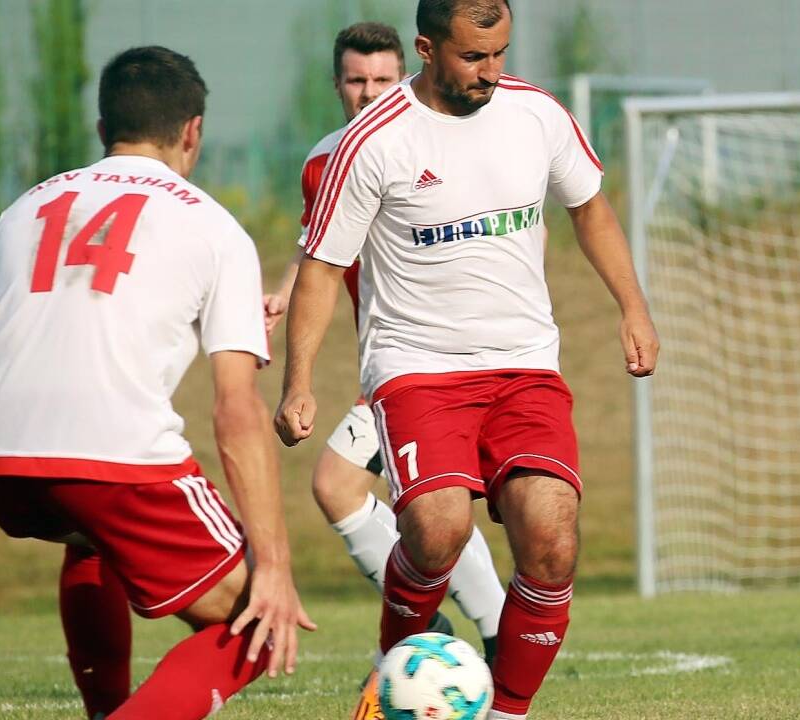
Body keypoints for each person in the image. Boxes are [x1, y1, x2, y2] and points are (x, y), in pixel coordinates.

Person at [274, 0, 659, 716]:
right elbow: (322, 268)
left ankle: (506, 711)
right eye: (473, 57)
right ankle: (392, 673)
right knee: (437, 529)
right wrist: (299, 381)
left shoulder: (536, 115)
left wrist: (633, 307)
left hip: (525, 367)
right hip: (417, 368)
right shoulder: (372, 142)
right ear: (426, 48)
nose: (490, 71)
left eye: (500, 53)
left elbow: (590, 208)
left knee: (552, 538)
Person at [0, 46, 314, 718]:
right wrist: (275, 566)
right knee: (258, 621)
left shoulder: (18, 213)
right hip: (112, 457)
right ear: (193, 131)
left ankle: (105, 707)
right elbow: (237, 411)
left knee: (90, 533)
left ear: (104, 129)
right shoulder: (213, 225)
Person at [263, 22, 506, 673]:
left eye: (381, 79)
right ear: (337, 84)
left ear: (408, 74)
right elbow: (321, 245)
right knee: (395, 500)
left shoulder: (446, 141)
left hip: (443, 360)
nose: (369, 93)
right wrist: (285, 291)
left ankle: (470, 626)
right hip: (394, 362)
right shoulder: (324, 161)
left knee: (346, 485)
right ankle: (475, 626)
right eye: (356, 80)